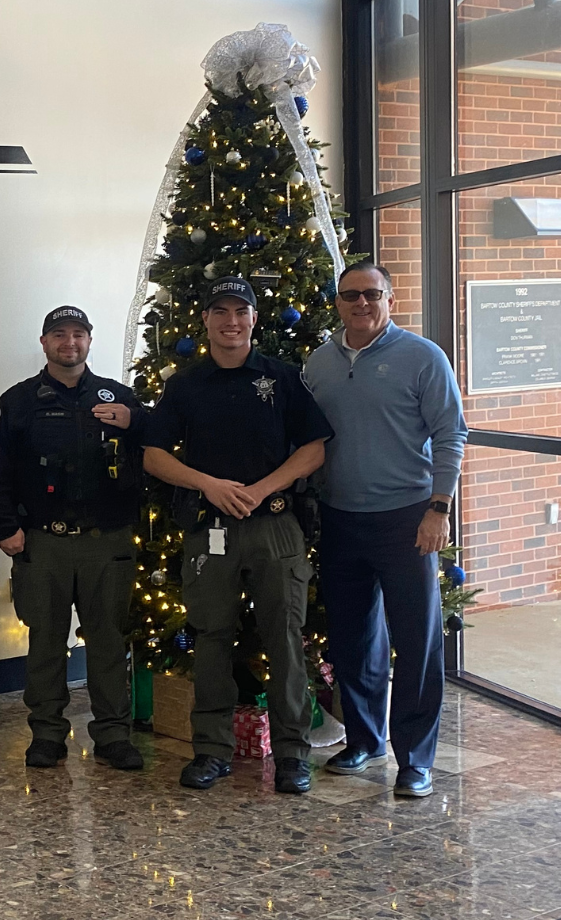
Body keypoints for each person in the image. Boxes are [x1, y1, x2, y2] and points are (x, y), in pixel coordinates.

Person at [143, 277, 332, 794]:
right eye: (220, 311)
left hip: (275, 526)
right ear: (205, 320)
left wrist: (261, 487)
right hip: (212, 531)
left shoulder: (282, 377)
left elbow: (314, 448)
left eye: (240, 312)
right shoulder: (185, 385)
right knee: (210, 640)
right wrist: (209, 486)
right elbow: (154, 455)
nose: (231, 321)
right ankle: (212, 750)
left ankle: (293, 754)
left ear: (254, 319)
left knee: (286, 642)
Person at [302, 262, 466, 800]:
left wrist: (439, 509)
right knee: (353, 640)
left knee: (416, 643)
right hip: (341, 518)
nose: (361, 304)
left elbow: (450, 434)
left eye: (372, 294)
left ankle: (415, 760)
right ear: (338, 302)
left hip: (408, 519)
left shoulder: (423, 358)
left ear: (390, 299)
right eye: (351, 295)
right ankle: (366, 740)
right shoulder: (319, 364)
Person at [0, 305, 150, 771]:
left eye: (78, 334)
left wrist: (134, 420)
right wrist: (5, 529)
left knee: (109, 641)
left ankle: (113, 734)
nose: (69, 342)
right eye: (59, 334)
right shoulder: (18, 401)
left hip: (106, 543)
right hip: (44, 543)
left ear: (90, 342)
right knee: (46, 642)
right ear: (44, 342)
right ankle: (48, 734)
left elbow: (156, 447)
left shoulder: (118, 398)